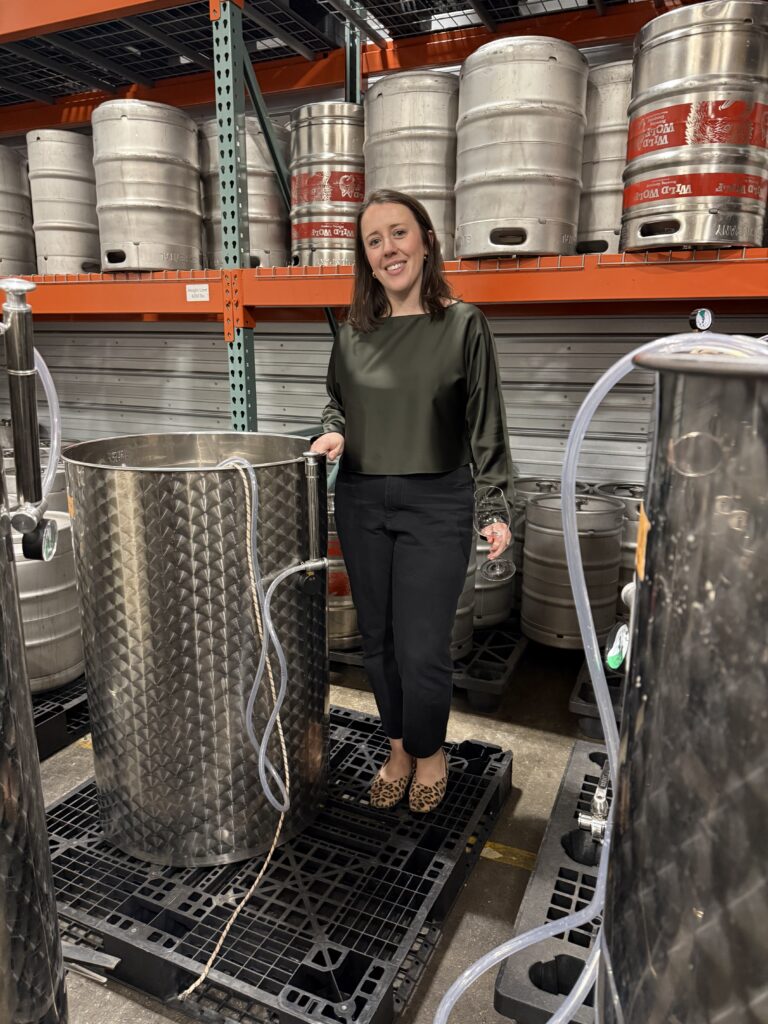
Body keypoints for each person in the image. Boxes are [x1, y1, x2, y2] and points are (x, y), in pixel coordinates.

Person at [310, 189, 513, 814]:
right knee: (377, 641)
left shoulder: (463, 324)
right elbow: (337, 401)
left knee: (422, 648)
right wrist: (335, 430)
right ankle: (397, 748)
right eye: (374, 241)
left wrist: (494, 505)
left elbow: (485, 423)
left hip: (436, 501)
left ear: (425, 240)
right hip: (362, 499)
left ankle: (429, 753)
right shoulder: (352, 332)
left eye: (398, 233)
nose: (388, 249)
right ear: (366, 259)